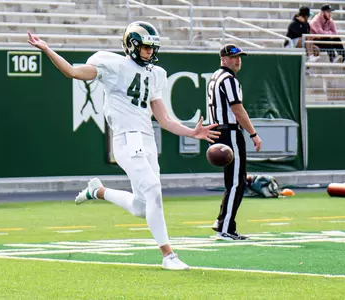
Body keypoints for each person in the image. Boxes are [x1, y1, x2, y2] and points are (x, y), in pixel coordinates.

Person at [27, 21, 220, 270]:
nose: (150, 52)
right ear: (131, 45)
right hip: (126, 139)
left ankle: (98, 191)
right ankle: (168, 256)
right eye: (145, 47)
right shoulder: (113, 65)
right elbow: (73, 72)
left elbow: (164, 119)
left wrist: (192, 132)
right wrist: (47, 49)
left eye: (153, 48)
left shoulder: (156, 74)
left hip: (147, 140)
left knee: (142, 207)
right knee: (153, 191)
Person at [207, 44, 263, 241]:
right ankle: (225, 227)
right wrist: (253, 134)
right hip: (229, 132)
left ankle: (223, 221)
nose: (238, 60)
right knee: (236, 182)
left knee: (233, 182)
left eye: (240, 57)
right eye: (233, 57)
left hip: (218, 131)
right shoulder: (229, 79)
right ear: (223, 59)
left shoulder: (215, 77)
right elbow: (238, 110)